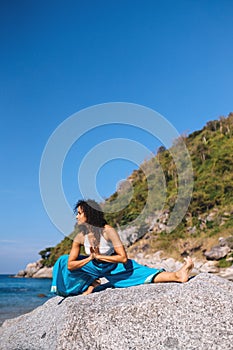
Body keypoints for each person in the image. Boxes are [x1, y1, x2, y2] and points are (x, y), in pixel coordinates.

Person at [51, 199, 194, 297]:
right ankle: (90, 283)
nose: (77, 217)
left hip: (113, 266)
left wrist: (100, 256)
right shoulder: (80, 237)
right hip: (93, 266)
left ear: (89, 214)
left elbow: (122, 257)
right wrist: (90, 258)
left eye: (80, 213)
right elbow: (70, 265)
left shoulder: (108, 231)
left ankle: (177, 275)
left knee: (143, 275)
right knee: (63, 261)